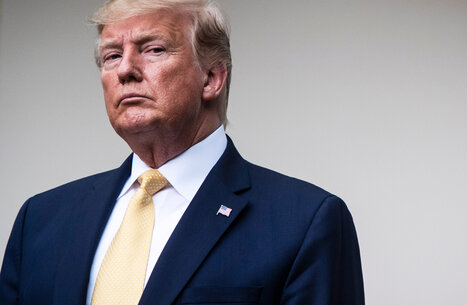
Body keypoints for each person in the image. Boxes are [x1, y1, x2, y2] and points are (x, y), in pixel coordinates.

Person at [0, 0, 364, 304]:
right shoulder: (41, 220)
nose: (125, 69)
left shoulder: (304, 223)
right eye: (112, 56)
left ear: (211, 77)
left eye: (153, 49)